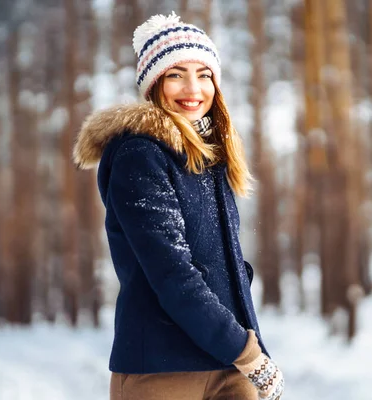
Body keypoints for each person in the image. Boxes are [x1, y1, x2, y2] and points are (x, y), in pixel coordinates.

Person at [73, 11, 284, 400]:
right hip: (162, 373)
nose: (193, 88)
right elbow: (173, 273)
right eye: (175, 74)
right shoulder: (141, 155)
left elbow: (219, 261)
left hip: (227, 366)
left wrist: (249, 347)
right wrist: (248, 352)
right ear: (154, 84)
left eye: (204, 74)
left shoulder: (210, 156)